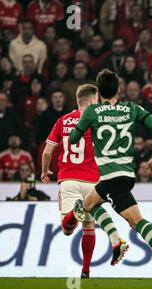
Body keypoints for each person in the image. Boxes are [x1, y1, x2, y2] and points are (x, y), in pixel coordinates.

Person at [69, 69, 152, 282]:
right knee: (90, 203)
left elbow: (74, 139)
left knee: (137, 222)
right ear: (118, 90)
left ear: (99, 92)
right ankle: (116, 240)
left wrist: (83, 122)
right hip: (126, 175)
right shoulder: (131, 108)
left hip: (112, 178)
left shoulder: (92, 111)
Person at [41, 84, 125, 278]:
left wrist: (45, 171)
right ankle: (86, 270)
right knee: (89, 227)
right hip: (93, 183)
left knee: (67, 229)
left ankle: (73, 213)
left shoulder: (62, 121)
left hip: (69, 179)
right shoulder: (99, 122)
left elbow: (47, 152)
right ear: (92, 100)